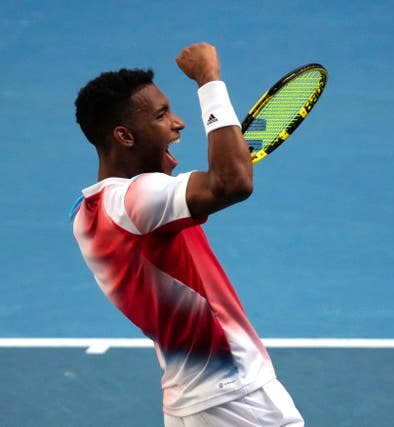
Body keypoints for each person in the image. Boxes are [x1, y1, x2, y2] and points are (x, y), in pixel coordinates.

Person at [71, 42, 304, 427]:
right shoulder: (136, 202)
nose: (178, 123)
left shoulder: (88, 215)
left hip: (190, 406)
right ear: (125, 137)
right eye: (163, 115)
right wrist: (209, 80)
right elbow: (232, 182)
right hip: (237, 401)